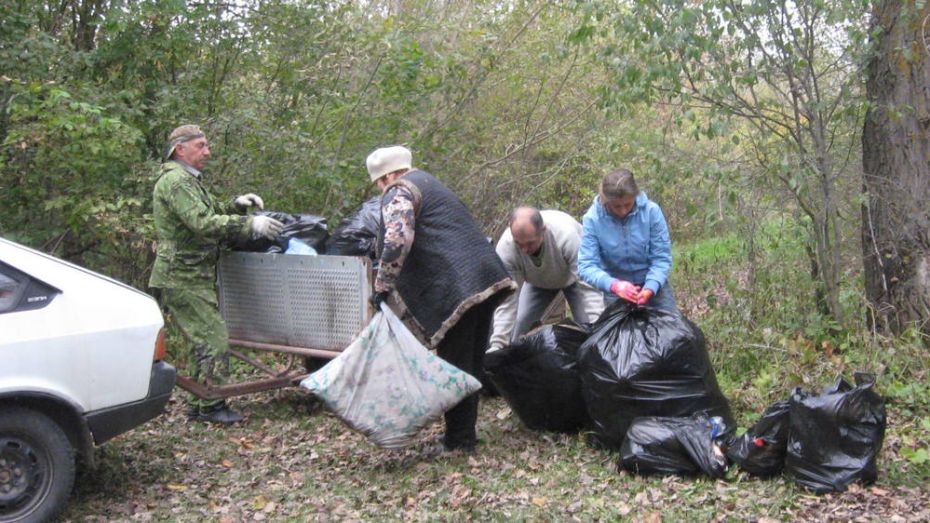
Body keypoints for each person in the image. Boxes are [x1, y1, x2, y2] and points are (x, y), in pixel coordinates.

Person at [366, 145, 515, 452]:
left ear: (388, 175)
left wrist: (382, 285)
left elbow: (397, 237)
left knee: (455, 366)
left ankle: (459, 441)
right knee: (470, 362)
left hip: (457, 286)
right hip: (485, 277)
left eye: (380, 182)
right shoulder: (430, 183)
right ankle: (464, 435)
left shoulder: (400, 190)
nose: (382, 189)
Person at [149, 124, 284, 424]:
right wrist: (250, 225)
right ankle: (212, 407)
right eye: (201, 146)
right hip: (181, 275)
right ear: (180, 149)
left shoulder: (188, 181)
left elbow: (205, 214)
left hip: (191, 273)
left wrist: (235, 206)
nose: (207, 152)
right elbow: (202, 223)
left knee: (202, 339)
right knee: (213, 338)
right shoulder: (176, 182)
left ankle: (201, 403)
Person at [488, 207, 604, 351]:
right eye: (519, 244)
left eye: (530, 243)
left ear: (543, 230)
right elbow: (508, 300)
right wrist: (497, 344)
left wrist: (599, 331)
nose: (524, 250)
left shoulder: (566, 236)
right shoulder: (506, 248)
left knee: (588, 326)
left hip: (574, 279)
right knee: (520, 322)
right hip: (537, 283)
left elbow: (588, 286)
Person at [578, 168, 676, 310]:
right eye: (616, 206)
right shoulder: (592, 219)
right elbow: (586, 265)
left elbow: (661, 257)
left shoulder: (651, 212)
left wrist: (651, 286)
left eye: (627, 204)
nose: (623, 211)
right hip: (616, 291)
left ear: (635, 197)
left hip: (654, 288)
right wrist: (614, 285)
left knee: (672, 330)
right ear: (606, 201)